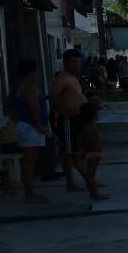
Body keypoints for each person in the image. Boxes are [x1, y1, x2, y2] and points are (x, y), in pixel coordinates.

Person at [11, 59, 51, 203]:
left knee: (28, 160)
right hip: (30, 127)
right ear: (31, 72)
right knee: (30, 161)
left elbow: (11, 108)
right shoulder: (29, 88)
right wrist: (39, 125)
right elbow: (35, 108)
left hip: (23, 125)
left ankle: (29, 191)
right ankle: (30, 192)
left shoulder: (17, 87)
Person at [50, 48, 89, 191]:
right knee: (69, 152)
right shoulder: (63, 78)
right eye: (73, 62)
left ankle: (85, 180)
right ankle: (72, 183)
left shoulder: (73, 78)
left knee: (75, 150)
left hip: (76, 118)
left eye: (79, 62)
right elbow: (53, 95)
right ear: (65, 62)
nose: (77, 65)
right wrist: (64, 110)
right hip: (67, 119)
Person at [77, 102, 109, 201]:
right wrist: (85, 152)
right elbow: (87, 141)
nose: (98, 115)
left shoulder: (90, 125)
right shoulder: (89, 127)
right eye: (96, 113)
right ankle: (93, 193)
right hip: (92, 153)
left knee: (91, 174)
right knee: (90, 175)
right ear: (92, 115)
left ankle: (92, 190)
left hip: (95, 152)